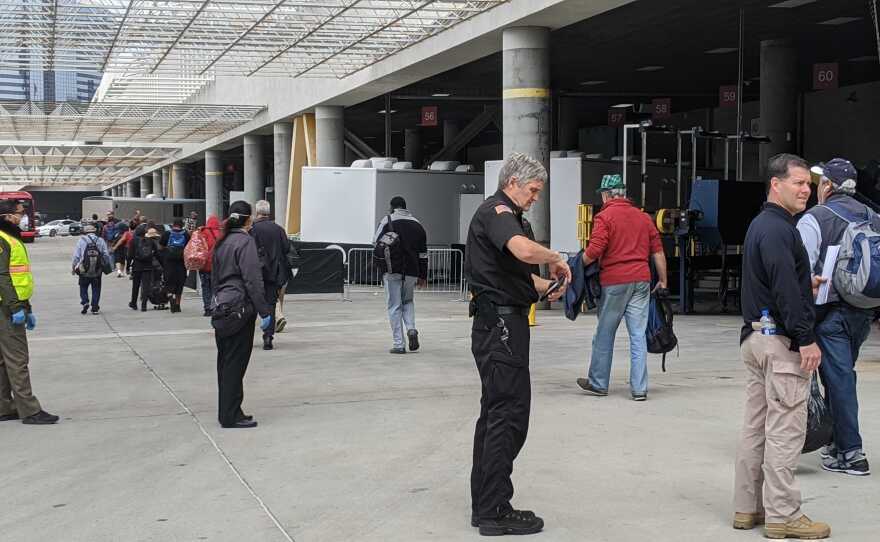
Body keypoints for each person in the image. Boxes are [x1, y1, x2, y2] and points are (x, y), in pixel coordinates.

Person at [464, 153, 571, 536]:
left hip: (504, 323)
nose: (534, 198)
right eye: (532, 191)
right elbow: (525, 252)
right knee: (508, 415)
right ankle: (494, 511)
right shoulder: (497, 212)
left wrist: (550, 286)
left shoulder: (508, 217)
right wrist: (556, 257)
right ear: (512, 182)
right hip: (501, 328)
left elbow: (519, 276)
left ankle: (486, 505)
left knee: (496, 414)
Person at [733, 153, 830, 540]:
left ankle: (748, 508)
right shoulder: (780, 229)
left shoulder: (762, 226)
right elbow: (782, 283)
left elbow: (771, 280)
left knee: (755, 428)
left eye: (809, 183)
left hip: (757, 336)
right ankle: (783, 515)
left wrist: (801, 284)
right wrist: (805, 337)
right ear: (776, 185)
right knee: (786, 430)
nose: (806, 189)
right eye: (798, 183)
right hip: (780, 342)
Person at [796, 158, 873, 476]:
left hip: (830, 312)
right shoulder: (873, 215)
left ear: (827, 185)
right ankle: (836, 442)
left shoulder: (816, 218)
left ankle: (852, 453)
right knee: (839, 375)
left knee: (839, 380)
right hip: (864, 310)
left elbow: (800, 268)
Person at [575, 174, 667, 401]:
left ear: (607, 195)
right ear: (624, 194)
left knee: (605, 334)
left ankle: (598, 383)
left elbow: (595, 250)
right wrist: (663, 280)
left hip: (615, 282)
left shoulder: (604, 217)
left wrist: (576, 265)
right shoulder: (643, 217)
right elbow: (657, 251)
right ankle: (639, 389)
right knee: (637, 335)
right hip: (641, 281)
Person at [211, 201, 272, 428]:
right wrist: (265, 311)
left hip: (223, 308)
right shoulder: (245, 242)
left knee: (225, 362)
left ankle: (229, 410)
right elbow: (252, 279)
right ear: (248, 220)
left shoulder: (222, 241)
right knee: (236, 364)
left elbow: (214, 278)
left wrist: (215, 303)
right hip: (240, 308)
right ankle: (230, 415)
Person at [0, 199, 58, 425]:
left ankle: (4, 407)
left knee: (4, 360)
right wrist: (16, 307)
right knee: (17, 359)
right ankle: (30, 410)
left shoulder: (9, 238)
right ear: (7, 216)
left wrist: (27, 307)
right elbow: (3, 276)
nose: (22, 217)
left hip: (9, 304)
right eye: (19, 213)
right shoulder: (4, 239)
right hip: (6, 307)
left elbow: (18, 278)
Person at [373, 196, 428, 354]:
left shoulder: (387, 220)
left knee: (394, 306)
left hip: (392, 270)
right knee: (408, 301)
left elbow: (375, 242)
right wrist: (423, 275)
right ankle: (411, 329)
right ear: (405, 207)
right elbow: (423, 254)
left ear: (392, 207)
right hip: (412, 270)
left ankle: (399, 344)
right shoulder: (418, 224)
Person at [250, 200, 292, 350]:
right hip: (273, 273)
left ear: (257, 212)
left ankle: (248, 337)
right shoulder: (278, 229)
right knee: (271, 304)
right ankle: (268, 337)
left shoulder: (252, 229)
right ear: (269, 213)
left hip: (255, 274)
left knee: (252, 305)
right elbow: (287, 248)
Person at [71, 223, 111, 315]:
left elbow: (76, 256)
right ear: (94, 231)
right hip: (97, 269)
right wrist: (106, 265)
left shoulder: (81, 240)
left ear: (85, 232)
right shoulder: (100, 240)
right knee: (96, 288)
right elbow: (106, 255)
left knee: (83, 286)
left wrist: (73, 267)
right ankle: (95, 307)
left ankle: (85, 301)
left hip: (83, 269)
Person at [160, 219, 190, 313]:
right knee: (180, 284)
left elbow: (160, 247)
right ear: (182, 225)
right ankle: (177, 305)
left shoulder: (167, 234)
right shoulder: (186, 234)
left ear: (173, 225)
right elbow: (189, 248)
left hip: (169, 263)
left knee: (169, 283)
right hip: (181, 263)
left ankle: (170, 297)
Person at [128, 224, 160, 312]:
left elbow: (130, 255)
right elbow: (157, 253)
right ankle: (144, 305)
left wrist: (127, 267)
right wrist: (162, 264)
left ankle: (134, 303)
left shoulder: (133, 241)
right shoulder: (150, 241)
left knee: (136, 285)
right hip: (148, 266)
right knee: (146, 286)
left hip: (137, 266)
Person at [196, 215, 222, 317]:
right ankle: (214, 306)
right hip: (216, 266)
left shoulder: (202, 232)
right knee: (215, 288)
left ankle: (207, 309)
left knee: (205, 287)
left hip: (204, 265)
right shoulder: (221, 233)